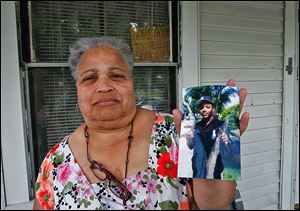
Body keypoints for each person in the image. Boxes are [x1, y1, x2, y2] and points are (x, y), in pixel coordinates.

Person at [32, 37, 250, 210]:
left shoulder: (176, 132)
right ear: (77, 90)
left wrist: (214, 148)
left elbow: (215, 205)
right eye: (89, 78)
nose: (104, 86)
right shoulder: (56, 161)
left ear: (131, 84)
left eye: (116, 75)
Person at [191, 96, 231, 179]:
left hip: (214, 172)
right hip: (198, 171)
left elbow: (229, 150)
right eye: (201, 107)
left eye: (207, 107)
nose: (204, 110)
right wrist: (189, 137)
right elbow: (191, 146)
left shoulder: (221, 125)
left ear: (213, 109)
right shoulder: (197, 126)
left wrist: (227, 140)